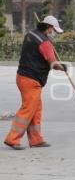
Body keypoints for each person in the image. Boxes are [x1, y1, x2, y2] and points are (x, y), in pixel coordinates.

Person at [4, 16, 67, 150]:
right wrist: (62, 67)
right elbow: (53, 63)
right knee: (28, 109)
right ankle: (12, 138)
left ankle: (36, 139)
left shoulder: (30, 34)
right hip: (31, 80)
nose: (54, 33)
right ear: (48, 28)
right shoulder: (45, 43)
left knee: (36, 109)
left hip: (22, 76)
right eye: (54, 30)